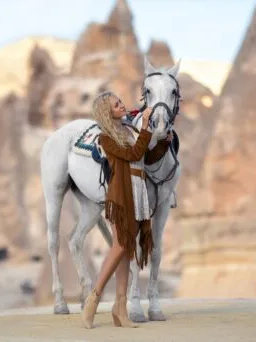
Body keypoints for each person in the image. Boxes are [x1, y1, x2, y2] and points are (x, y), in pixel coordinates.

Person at [81, 91, 172, 329]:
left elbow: (145, 157)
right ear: (106, 112)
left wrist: (163, 144)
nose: (121, 105)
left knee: (127, 249)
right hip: (122, 194)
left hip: (138, 189)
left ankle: (120, 310)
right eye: (115, 105)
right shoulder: (105, 138)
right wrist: (145, 127)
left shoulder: (129, 131)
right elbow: (132, 154)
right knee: (121, 244)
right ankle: (95, 296)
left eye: (120, 102)